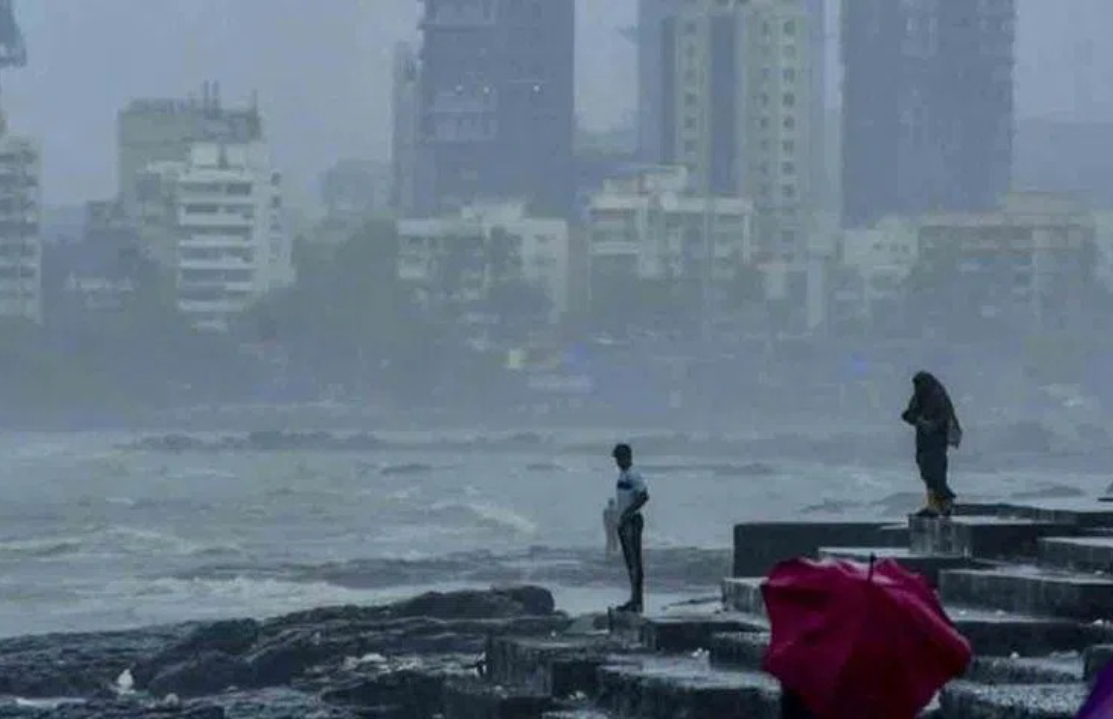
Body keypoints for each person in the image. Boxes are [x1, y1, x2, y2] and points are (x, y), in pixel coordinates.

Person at [901, 371, 963, 518]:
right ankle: (935, 506)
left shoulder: (937, 397)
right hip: (924, 442)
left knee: (934, 473)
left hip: (936, 442)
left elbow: (941, 420)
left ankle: (943, 504)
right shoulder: (922, 395)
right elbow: (910, 413)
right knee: (927, 474)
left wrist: (926, 423)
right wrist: (916, 419)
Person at [612, 443, 648, 613]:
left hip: (632, 521)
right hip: (624, 521)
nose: (618, 462)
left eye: (620, 458)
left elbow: (643, 496)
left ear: (627, 457)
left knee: (635, 562)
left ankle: (637, 600)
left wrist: (627, 513)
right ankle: (634, 598)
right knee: (629, 562)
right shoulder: (622, 474)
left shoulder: (634, 474)